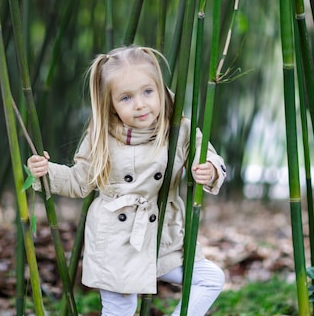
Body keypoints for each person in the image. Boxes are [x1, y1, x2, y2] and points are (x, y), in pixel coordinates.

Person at [27, 45, 227, 316]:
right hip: (117, 241)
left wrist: (209, 170)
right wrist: (46, 171)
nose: (140, 104)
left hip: (163, 238)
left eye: (147, 91)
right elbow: (79, 181)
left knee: (210, 278)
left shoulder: (179, 129)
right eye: (126, 98)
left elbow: (211, 157)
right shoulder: (102, 136)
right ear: (110, 104)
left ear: (159, 88)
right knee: (121, 308)